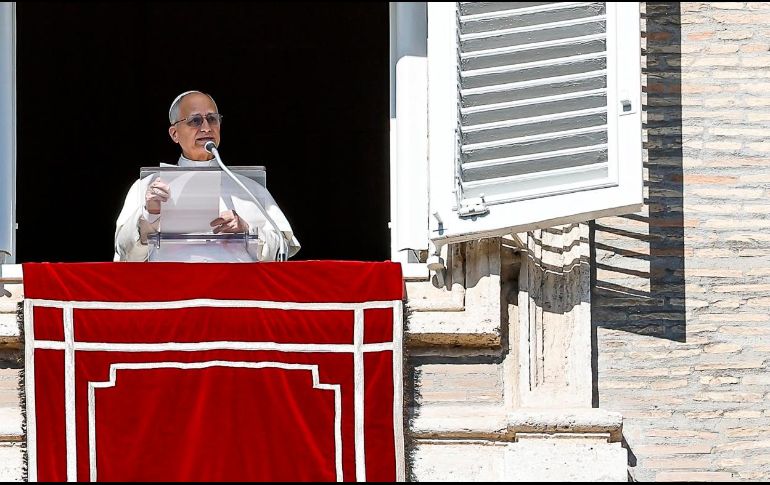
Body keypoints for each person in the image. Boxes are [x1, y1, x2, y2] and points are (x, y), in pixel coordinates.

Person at [114, 90, 300, 262]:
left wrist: (248, 231)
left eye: (212, 119)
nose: (206, 127)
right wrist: (150, 214)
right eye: (195, 121)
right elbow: (125, 253)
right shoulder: (147, 186)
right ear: (174, 134)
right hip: (172, 291)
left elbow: (282, 251)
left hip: (233, 293)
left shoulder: (247, 188)